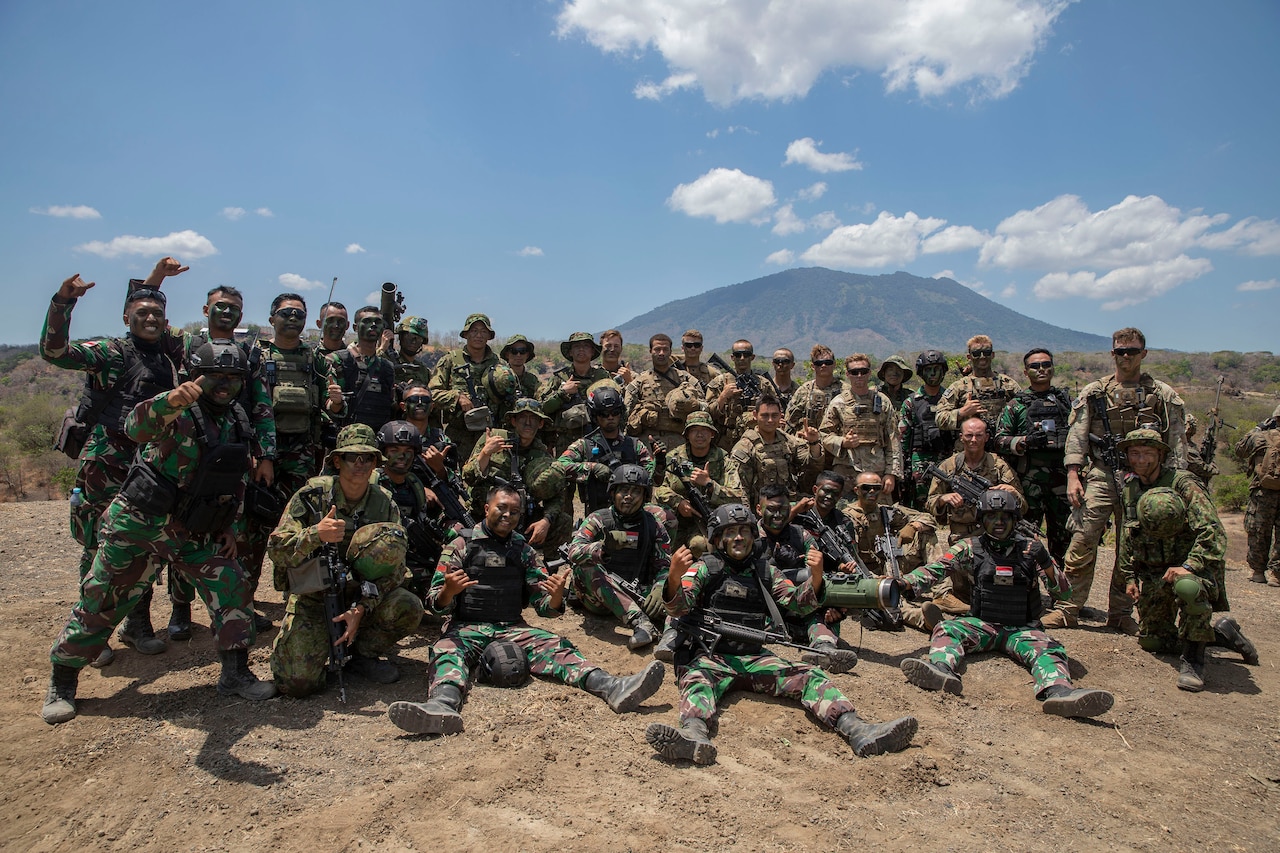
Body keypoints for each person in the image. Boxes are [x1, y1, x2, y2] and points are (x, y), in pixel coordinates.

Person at [42, 341, 278, 724]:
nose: (224, 384)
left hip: (198, 531)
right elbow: (136, 427)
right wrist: (169, 400)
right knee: (102, 600)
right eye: (216, 375)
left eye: (233, 378)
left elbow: (233, 478)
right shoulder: (174, 407)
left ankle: (235, 674)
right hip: (142, 525)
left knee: (232, 587)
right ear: (196, 375)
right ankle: (63, 678)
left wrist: (230, 528)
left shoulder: (237, 417)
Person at [644, 504, 918, 765]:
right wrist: (674, 578)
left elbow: (797, 604)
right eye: (730, 532)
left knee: (810, 676)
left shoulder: (765, 570)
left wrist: (817, 578)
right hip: (710, 658)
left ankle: (858, 729)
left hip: (754, 657)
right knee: (696, 680)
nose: (739, 538)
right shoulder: (705, 567)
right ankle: (693, 735)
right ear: (718, 538)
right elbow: (679, 608)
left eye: (745, 532)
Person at [386, 484, 666, 735]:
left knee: (557, 646)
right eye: (501, 508)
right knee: (447, 652)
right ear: (487, 508)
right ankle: (441, 706)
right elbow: (434, 605)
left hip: (511, 628)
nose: (508, 516)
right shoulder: (461, 546)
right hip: (465, 627)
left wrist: (555, 598)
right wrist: (448, 591)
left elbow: (542, 607)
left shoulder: (523, 550)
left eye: (515, 512)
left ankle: (612, 687)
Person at [40, 261, 186, 665]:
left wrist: (155, 281)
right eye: (142, 313)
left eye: (157, 313)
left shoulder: (171, 357)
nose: (151, 318)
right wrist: (62, 303)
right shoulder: (110, 351)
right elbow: (55, 352)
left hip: (151, 465)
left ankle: (136, 624)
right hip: (107, 462)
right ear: (126, 317)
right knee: (96, 547)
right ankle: (93, 635)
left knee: (145, 545)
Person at [897, 490, 1114, 719]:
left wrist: (1045, 562)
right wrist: (904, 583)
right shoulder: (970, 547)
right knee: (947, 629)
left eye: (1005, 517)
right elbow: (936, 570)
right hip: (982, 625)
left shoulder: (1030, 550)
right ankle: (941, 670)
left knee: (1049, 650)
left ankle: (1059, 692)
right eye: (991, 516)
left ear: (1014, 520)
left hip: (1023, 629)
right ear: (981, 519)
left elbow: (1064, 592)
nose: (998, 522)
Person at [1041, 327, 1187, 631]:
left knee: (1131, 547)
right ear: (1112, 353)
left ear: (1143, 354)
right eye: (1120, 351)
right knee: (1081, 540)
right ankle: (1068, 608)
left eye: (1132, 351)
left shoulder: (1161, 394)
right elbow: (1077, 437)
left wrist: (1173, 485)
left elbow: (1175, 442)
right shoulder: (1095, 392)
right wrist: (1072, 475)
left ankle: (1120, 613)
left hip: (1145, 481)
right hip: (1102, 474)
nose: (1126, 357)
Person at [267, 424, 425, 696]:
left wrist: (362, 608)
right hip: (315, 597)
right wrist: (315, 534)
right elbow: (276, 548)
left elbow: (397, 569)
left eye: (368, 458)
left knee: (408, 606)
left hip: (361, 596)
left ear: (376, 463)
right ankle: (316, 643)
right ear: (338, 460)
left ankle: (362, 655)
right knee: (296, 684)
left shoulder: (384, 503)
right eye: (353, 457)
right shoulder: (312, 496)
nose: (360, 464)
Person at [1116, 429, 1259, 690]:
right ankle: (1224, 635)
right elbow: (1128, 533)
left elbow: (1212, 531)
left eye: (1147, 453)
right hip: (1155, 573)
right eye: (1134, 453)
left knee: (1188, 588)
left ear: (1160, 454)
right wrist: (1129, 576)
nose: (1140, 459)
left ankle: (1193, 660)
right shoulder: (1131, 487)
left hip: (1191, 569)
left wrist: (1188, 566)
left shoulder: (1184, 483)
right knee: (1152, 642)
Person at [566, 465, 672, 650]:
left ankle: (672, 637)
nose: (628, 496)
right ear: (613, 492)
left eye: (636, 492)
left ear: (644, 496)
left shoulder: (653, 525)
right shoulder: (598, 518)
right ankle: (640, 623)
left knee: (676, 587)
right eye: (623, 490)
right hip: (598, 599)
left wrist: (661, 586)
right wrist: (601, 550)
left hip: (637, 591)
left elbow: (664, 563)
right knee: (585, 567)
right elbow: (573, 551)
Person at [754, 485, 858, 673]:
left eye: (784, 510)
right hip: (763, 605)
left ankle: (824, 649)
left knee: (825, 609)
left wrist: (833, 606)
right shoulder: (748, 536)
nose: (778, 515)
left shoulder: (801, 535)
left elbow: (815, 576)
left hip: (798, 603)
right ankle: (792, 633)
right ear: (759, 509)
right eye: (772, 509)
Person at [463, 398, 570, 563]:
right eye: (522, 418)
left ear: (541, 424)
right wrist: (486, 453)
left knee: (562, 521)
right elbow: (468, 477)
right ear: (513, 420)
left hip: (520, 518)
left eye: (533, 419)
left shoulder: (542, 455)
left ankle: (547, 575)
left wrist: (545, 521)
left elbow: (556, 494)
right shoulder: (493, 439)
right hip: (483, 516)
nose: (528, 423)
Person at [995, 348, 1072, 565]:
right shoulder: (1016, 405)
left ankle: (1061, 591)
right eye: (1035, 366)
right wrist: (1024, 442)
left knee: (1064, 540)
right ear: (1026, 371)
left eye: (1046, 365)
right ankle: (1027, 590)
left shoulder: (1066, 403)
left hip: (1062, 481)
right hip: (1029, 482)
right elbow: (999, 440)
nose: (1041, 370)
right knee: (1025, 539)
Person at [842, 471, 940, 632]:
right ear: (856, 490)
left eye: (876, 488)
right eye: (866, 488)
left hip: (892, 563)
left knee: (926, 532)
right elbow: (851, 558)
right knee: (889, 598)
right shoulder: (848, 518)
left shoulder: (886, 512)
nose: (872, 492)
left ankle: (943, 593)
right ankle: (922, 619)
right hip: (864, 573)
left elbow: (928, 518)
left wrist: (913, 526)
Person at [547, 382, 655, 516]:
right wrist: (592, 468)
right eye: (604, 414)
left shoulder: (634, 445)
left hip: (633, 511)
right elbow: (560, 466)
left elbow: (652, 476)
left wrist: (660, 463)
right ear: (595, 416)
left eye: (615, 412)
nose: (610, 417)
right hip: (598, 513)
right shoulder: (584, 444)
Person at [429, 313, 517, 461]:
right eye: (474, 331)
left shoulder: (499, 364)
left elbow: (511, 396)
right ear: (466, 334)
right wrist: (457, 396)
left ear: (489, 336)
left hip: (490, 434)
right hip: (458, 435)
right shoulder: (450, 360)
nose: (479, 335)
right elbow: (431, 393)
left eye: (483, 332)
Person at [653, 412, 743, 558]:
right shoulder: (674, 457)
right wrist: (678, 502)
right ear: (687, 434)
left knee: (700, 546)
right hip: (676, 521)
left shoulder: (723, 460)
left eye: (704, 430)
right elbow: (659, 489)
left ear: (712, 434)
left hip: (708, 522)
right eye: (694, 430)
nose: (699, 435)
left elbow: (738, 496)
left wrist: (710, 484)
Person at [926, 417, 1025, 545]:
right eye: (969, 435)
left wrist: (1013, 494)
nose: (973, 440)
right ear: (961, 437)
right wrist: (943, 499)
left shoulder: (998, 466)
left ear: (986, 437)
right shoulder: (949, 466)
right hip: (961, 537)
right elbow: (929, 502)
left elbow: (1023, 507)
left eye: (978, 435)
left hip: (994, 535)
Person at [819, 353, 902, 499]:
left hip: (876, 472)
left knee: (880, 515)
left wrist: (891, 473)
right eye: (854, 372)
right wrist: (843, 442)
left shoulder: (882, 402)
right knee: (845, 515)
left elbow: (893, 440)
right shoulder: (838, 403)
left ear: (869, 373)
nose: (859, 376)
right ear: (847, 374)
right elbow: (824, 435)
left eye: (863, 372)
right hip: (846, 472)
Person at [726, 397, 824, 510]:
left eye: (774, 415)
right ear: (755, 415)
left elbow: (813, 467)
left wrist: (814, 443)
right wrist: (748, 518)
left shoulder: (789, 441)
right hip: (761, 510)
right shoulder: (744, 448)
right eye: (765, 415)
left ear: (781, 415)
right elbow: (741, 489)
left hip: (789, 505)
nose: (770, 420)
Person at [933, 334, 1021, 441]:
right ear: (969, 357)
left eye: (986, 352)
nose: (982, 356)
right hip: (970, 450)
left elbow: (1024, 412)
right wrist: (962, 412)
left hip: (1002, 448)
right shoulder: (959, 387)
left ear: (992, 355)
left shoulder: (1008, 384)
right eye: (976, 353)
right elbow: (940, 419)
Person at [326, 306, 398, 435]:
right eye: (367, 321)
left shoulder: (387, 367)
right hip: (345, 439)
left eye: (378, 322)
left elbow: (389, 405)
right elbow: (329, 407)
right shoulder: (336, 360)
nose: (373, 325)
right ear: (355, 327)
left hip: (376, 439)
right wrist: (336, 402)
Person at [624, 333, 699, 452]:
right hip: (649, 442)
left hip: (681, 443)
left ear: (670, 352)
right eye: (657, 349)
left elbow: (705, 407)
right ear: (650, 351)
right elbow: (626, 412)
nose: (661, 353)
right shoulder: (639, 382)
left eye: (665, 349)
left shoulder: (685, 379)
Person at [900, 349, 955, 509]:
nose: (932, 374)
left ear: (943, 371)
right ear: (921, 373)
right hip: (920, 461)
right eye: (928, 370)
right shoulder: (911, 402)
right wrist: (903, 470)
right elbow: (903, 439)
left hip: (949, 459)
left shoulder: (953, 399)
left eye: (936, 369)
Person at [539, 332, 613, 451]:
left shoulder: (602, 376)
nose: (581, 349)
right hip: (566, 441)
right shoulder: (560, 377)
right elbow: (544, 408)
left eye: (586, 346)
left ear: (592, 351)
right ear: (570, 352)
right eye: (577, 346)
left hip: (598, 437)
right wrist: (562, 393)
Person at [706, 339, 781, 452]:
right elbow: (708, 414)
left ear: (752, 357)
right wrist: (723, 397)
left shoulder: (763, 384)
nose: (742, 358)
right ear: (732, 357)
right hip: (725, 441)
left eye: (746, 355)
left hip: (757, 441)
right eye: (738, 355)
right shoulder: (719, 382)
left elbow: (776, 412)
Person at [1234, 414, 1280, 586]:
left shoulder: (1260, 436)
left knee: (1259, 531)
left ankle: (1258, 572)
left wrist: (1257, 428)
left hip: (1262, 492)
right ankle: (1277, 574)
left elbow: (1239, 450)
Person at [784, 344, 843, 436]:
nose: (823, 365)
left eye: (828, 362)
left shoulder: (845, 390)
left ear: (834, 364)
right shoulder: (803, 391)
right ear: (812, 366)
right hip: (807, 445)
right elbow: (789, 422)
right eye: (819, 363)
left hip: (836, 445)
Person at [382, 315, 434, 389]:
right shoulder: (387, 361)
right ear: (401, 337)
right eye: (410, 337)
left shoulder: (423, 371)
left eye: (419, 339)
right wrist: (382, 348)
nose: (414, 341)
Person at [498, 334, 542, 401]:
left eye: (522, 351)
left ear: (527, 355)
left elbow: (541, 397)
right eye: (514, 351)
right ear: (507, 354)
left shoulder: (532, 380)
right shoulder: (499, 377)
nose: (518, 355)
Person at [770, 348, 799, 413]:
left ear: (792, 365)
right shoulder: (766, 389)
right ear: (773, 364)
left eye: (785, 361)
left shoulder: (799, 391)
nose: (780, 365)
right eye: (777, 361)